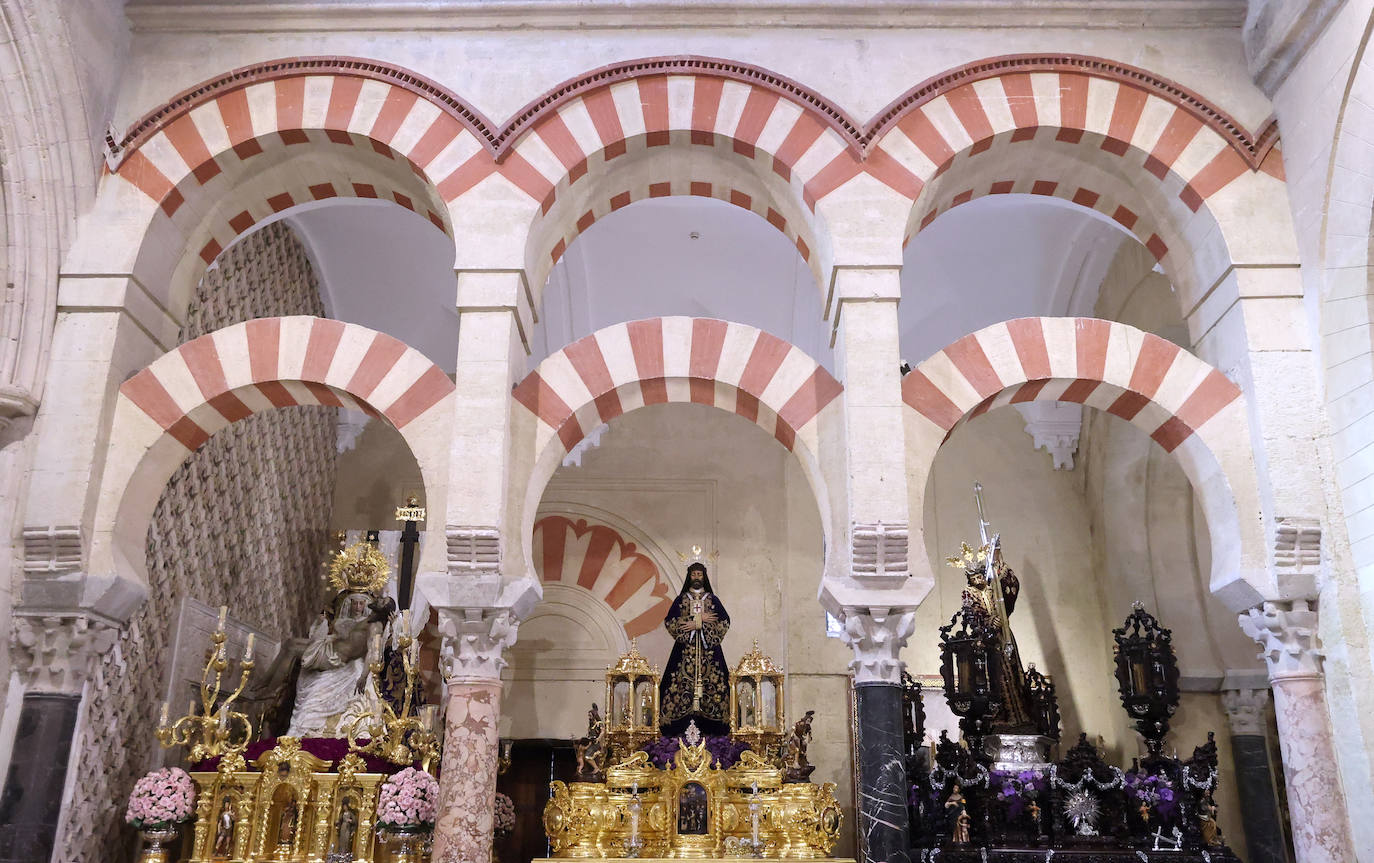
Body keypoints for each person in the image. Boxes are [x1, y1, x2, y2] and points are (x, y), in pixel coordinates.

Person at [286, 590, 391, 738]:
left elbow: (371, 653)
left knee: (291, 647)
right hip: (329, 647)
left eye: (383, 602)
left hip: (334, 657)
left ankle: (267, 690)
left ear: (384, 610)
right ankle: (265, 687)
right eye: (355, 603)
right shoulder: (368, 619)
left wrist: (363, 676)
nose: (379, 599)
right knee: (290, 645)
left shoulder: (375, 626)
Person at [658, 562, 731, 736]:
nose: (696, 577)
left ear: (704, 577)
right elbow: (670, 622)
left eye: (699, 574)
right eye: (693, 574)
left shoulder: (712, 600)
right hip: (685, 652)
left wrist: (700, 623)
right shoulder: (681, 600)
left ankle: (714, 729)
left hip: (709, 652)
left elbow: (724, 621)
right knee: (674, 684)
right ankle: (677, 729)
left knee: (718, 685)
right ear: (689, 576)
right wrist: (695, 621)